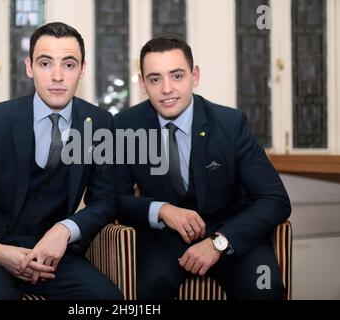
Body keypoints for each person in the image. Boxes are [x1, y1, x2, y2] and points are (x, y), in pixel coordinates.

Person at [0, 22, 122, 300]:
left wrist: (64, 230)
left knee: (109, 300)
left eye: (68, 64)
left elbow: (104, 201)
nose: (57, 76)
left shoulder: (99, 123)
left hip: (52, 255)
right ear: (29, 67)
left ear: (83, 69)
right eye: (45, 63)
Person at [114, 36, 291, 300]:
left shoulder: (231, 124)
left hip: (231, 236)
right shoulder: (125, 126)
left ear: (194, 76)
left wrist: (220, 243)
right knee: (143, 292)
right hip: (164, 240)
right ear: (142, 83)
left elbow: (275, 200)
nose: (166, 89)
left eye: (176, 76)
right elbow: (112, 198)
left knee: (266, 290)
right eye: (155, 79)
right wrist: (160, 210)